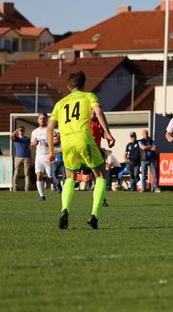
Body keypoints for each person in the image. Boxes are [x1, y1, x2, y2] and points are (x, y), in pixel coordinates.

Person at [47, 71, 115, 230]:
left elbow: (50, 128)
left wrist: (51, 151)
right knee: (100, 175)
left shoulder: (60, 103)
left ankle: (64, 210)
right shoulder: (88, 96)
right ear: (84, 85)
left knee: (70, 177)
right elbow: (98, 112)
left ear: (68, 86)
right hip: (83, 139)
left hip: (67, 144)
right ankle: (94, 215)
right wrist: (109, 134)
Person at [31, 113, 61, 200]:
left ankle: (57, 183)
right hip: (39, 156)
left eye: (44, 118)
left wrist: (48, 144)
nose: (42, 120)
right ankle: (42, 195)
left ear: (46, 120)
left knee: (50, 178)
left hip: (48, 155)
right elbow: (31, 144)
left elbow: (57, 141)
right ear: (38, 120)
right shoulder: (34, 132)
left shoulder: (50, 130)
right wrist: (34, 144)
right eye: (40, 118)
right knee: (39, 175)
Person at [10, 126, 31, 192]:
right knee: (16, 172)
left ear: (24, 131)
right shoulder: (16, 138)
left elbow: (29, 148)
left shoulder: (27, 139)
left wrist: (30, 157)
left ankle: (27, 187)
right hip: (18, 157)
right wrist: (17, 130)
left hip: (26, 157)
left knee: (26, 173)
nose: (21, 132)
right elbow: (10, 136)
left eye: (22, 130)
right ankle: (14, 187)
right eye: (20, 130)